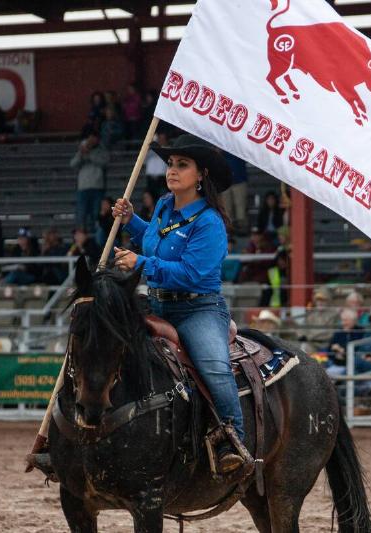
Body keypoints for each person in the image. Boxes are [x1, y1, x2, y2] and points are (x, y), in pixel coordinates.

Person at [112, 133, 246, 473]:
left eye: (182, 165)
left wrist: (140, 263)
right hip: (156, 304)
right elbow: (155, 242)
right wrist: (132, 222)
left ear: (200, 175)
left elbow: (190, 273)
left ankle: (234, 440)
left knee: (214, 367)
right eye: (171, 164)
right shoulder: (162, 206)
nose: (172, 170)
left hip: (198, 309)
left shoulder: (210, 223)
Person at [71, 132, 109, 233]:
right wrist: (81, 153)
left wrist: (89, 154)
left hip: (97, 187)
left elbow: (104, 162)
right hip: (83, 187)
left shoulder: (101, 150)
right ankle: (81, 234)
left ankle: (95, 235)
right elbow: (73, 164)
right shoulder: (81, 151)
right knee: (81, 213)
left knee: (96, 213)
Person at [223, 152, 250, 234]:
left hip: (239, 179)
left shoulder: (239, 143)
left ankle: (242, 229)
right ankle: (228, 230)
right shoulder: (220, 142)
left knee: (240, 206)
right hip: (225, 180)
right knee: (226, 208)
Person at [144, 132, 169, 197]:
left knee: (162, 196)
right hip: (150, 178)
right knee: (151, 196)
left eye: (162, 139)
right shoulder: (151, 151)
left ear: (166, 140)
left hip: (162, 179)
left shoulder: (168, 150)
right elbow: (144, 161)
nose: (160, 140)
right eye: (159, 138)